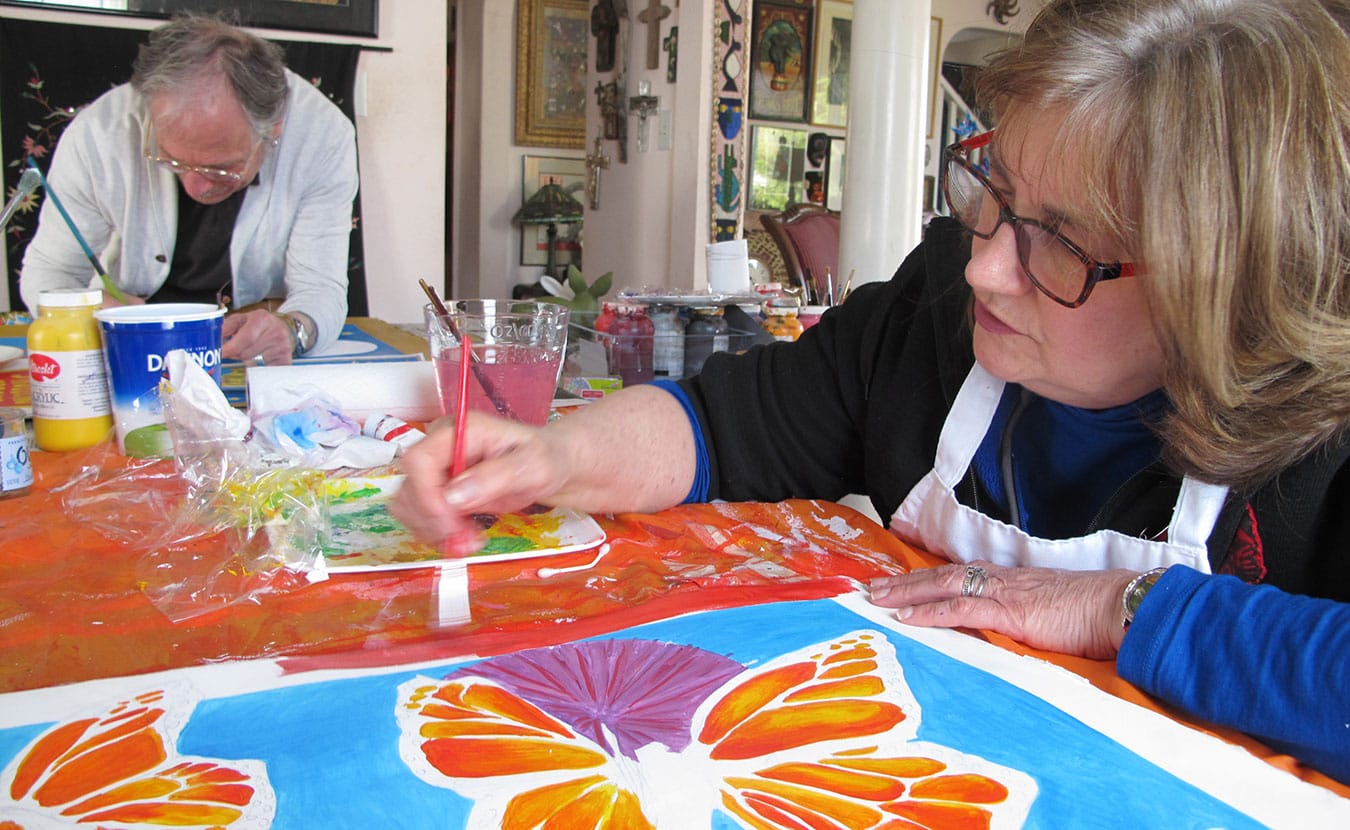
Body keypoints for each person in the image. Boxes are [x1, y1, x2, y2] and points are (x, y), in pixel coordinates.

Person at [393, 0, 1350, 784]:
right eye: (995, 196)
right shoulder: (935, 314)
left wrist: (1123, 609)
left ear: (1225, 289)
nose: (985, 269)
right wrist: (553, 455)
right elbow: (727, 426)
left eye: (1060, 244)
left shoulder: (1325, 445)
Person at [19, 15, 359, 365]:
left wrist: (291, 331)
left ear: (273, 129)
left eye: (221, 169)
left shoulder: (322, 136)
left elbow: (320, 289)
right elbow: (50, 273)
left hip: (250, 339)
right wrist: (89, 311)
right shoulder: (98, 134)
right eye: (172, 160)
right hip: (129, 340)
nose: (197, 187)